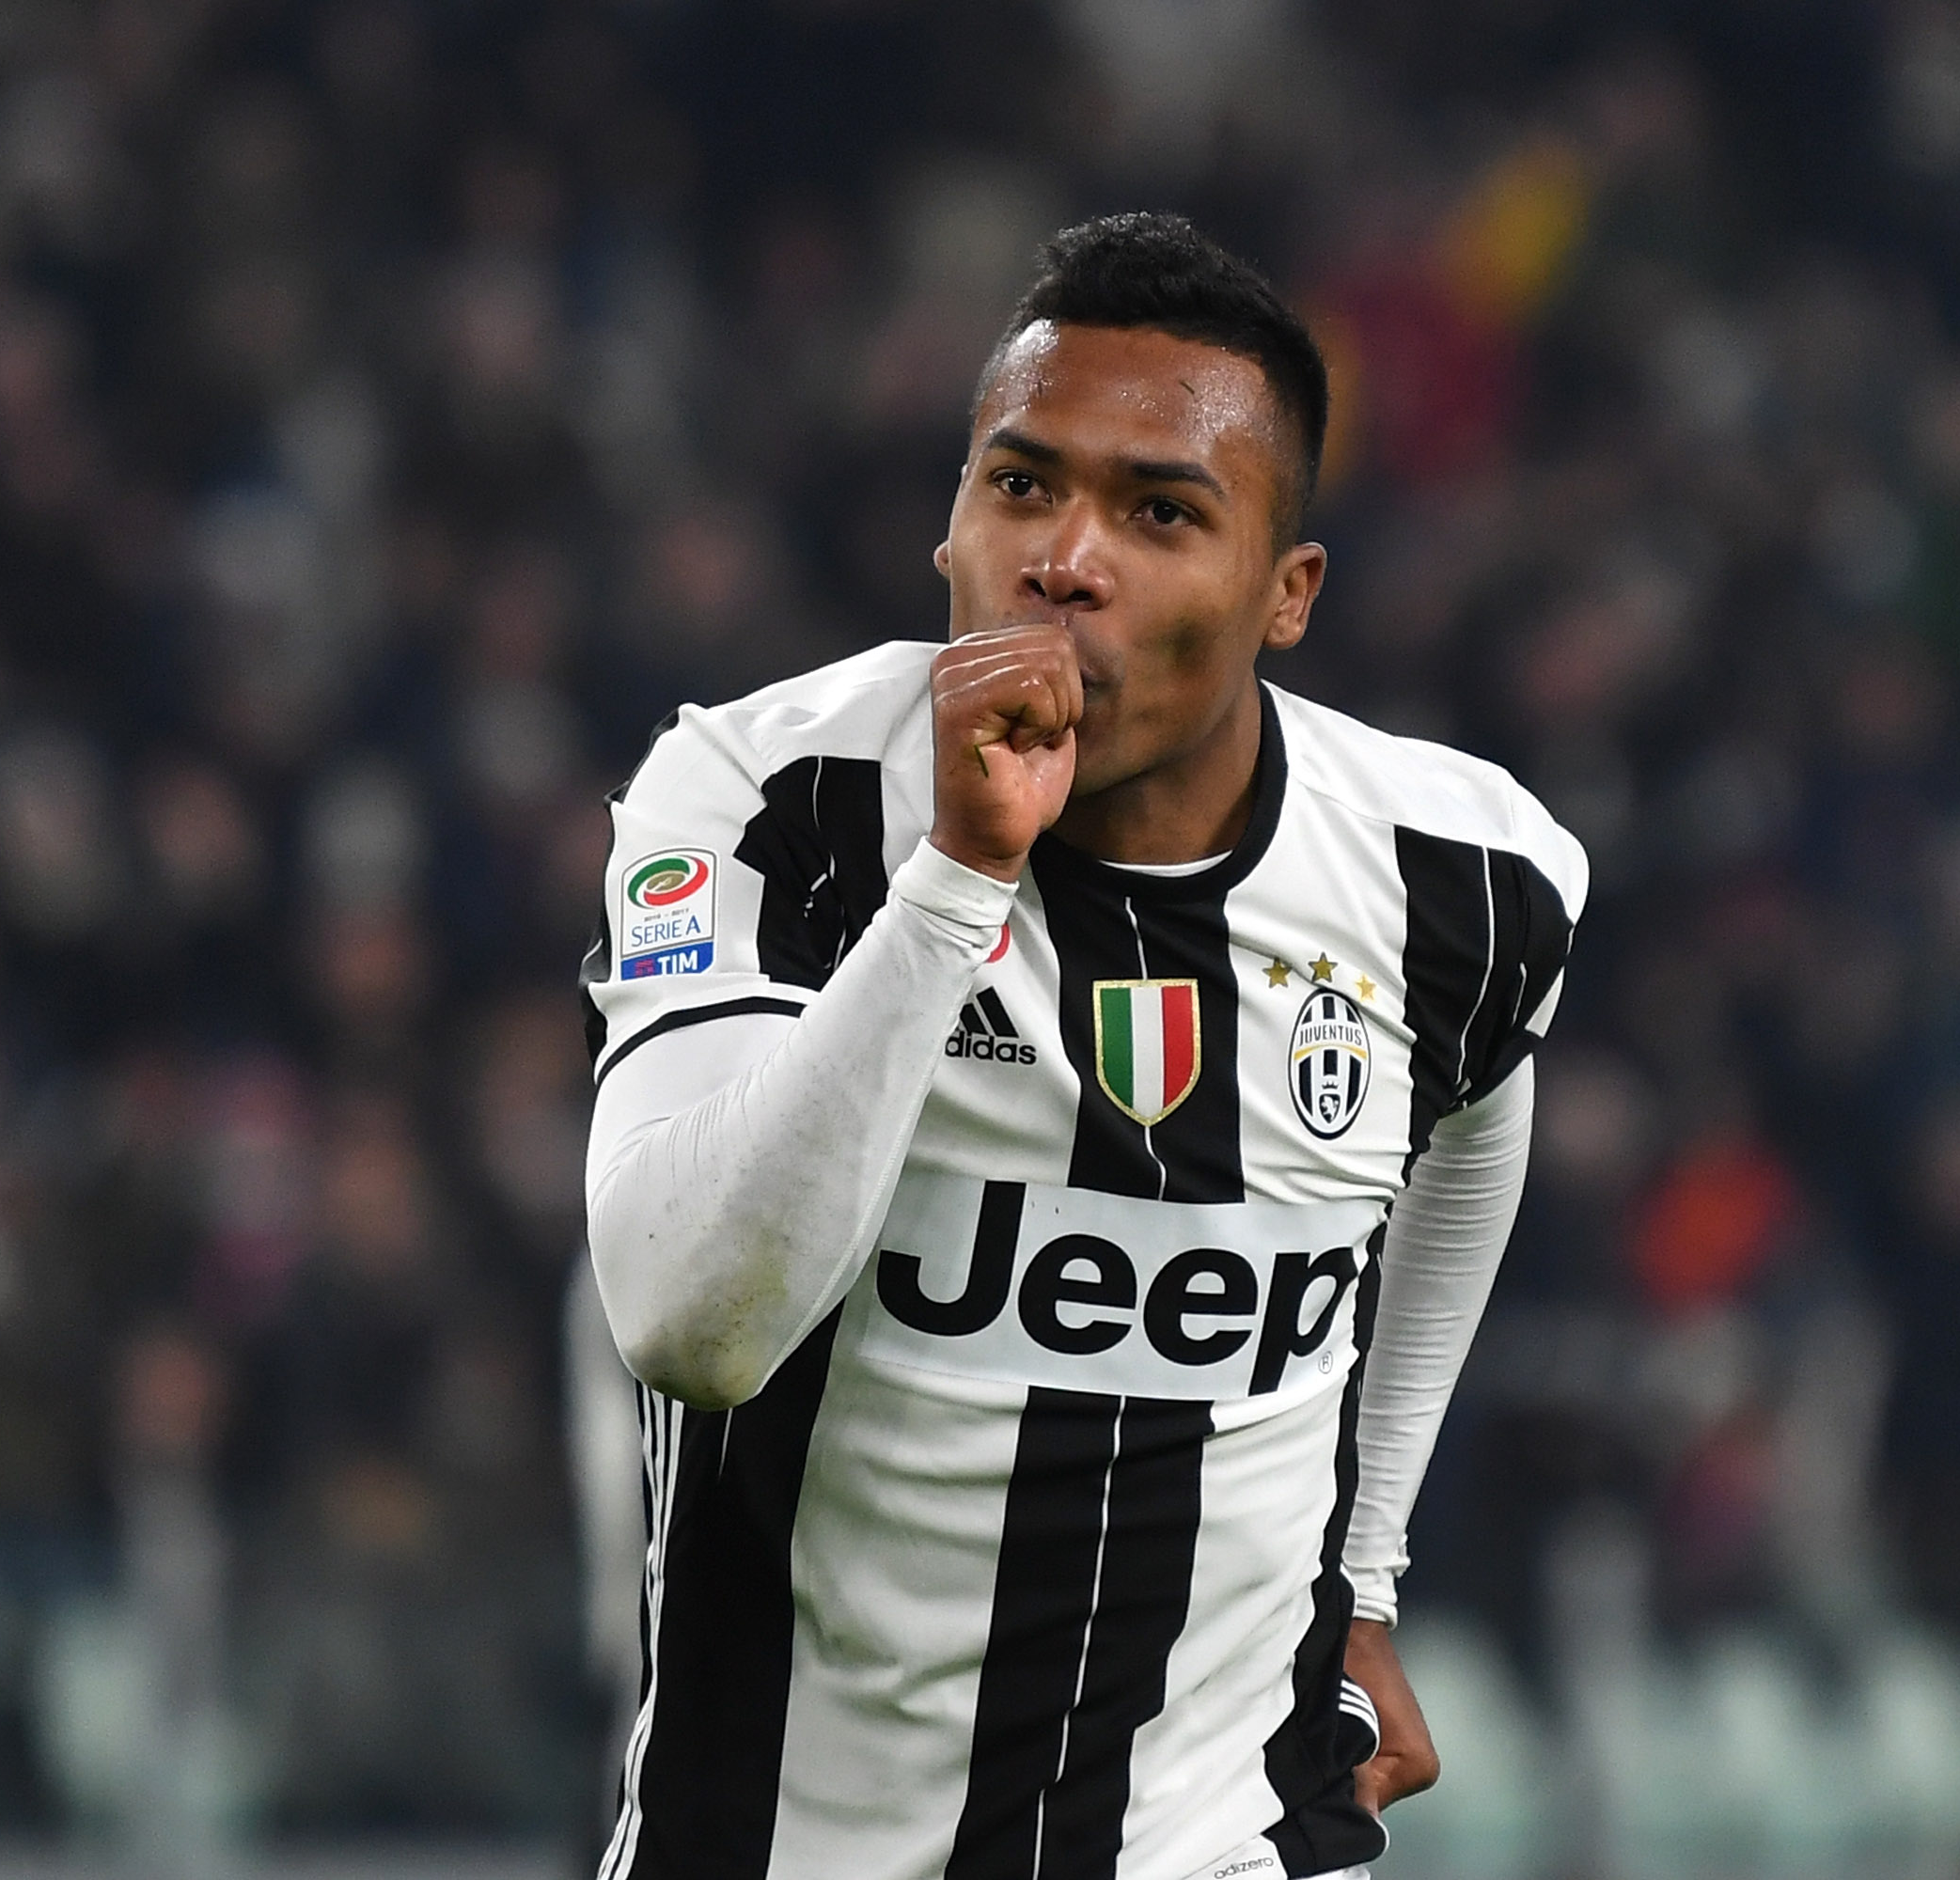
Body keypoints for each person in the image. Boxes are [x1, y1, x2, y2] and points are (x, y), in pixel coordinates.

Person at [577, 212, 1586, 1880]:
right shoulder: (772, 806)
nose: (1065, 559)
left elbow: (1476, 1115)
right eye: (1021, 484)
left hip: (1220, 1841)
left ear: (1287, 595)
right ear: (951, 524)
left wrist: (1367, 1574)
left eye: (1160, 512)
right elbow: (692, 1322)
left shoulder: (1459, 879)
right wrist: (955, 881)